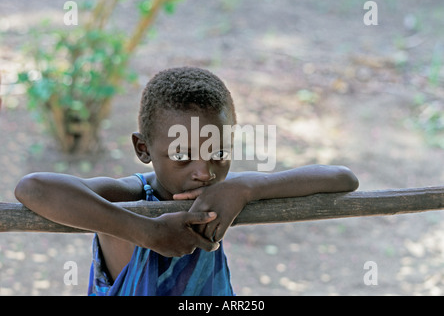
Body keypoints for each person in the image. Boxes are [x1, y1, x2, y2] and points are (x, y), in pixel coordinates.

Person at [15, 66, 359, 296]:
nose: (204, 171)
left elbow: (342, 178)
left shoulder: (223, 191)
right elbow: (33, 188)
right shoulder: (133, 195)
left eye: (218, 153)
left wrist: (246, 187)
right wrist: (146, 232)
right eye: (182, 155)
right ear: (143, 148)